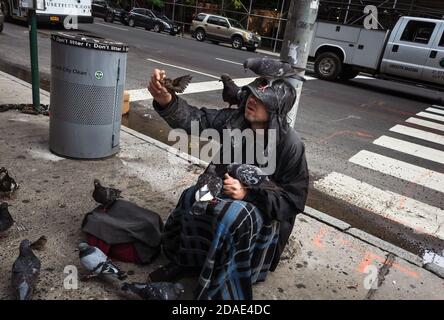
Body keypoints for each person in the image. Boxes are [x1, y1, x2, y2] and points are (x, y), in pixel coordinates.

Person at [147, 68, 309, 300]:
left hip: (259, 210)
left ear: (275, 110)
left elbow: (293, 200)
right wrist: (166, 100)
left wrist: (249, 193)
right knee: (193, 196)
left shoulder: (290, 144)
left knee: (232, 215)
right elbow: (197, 120)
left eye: (261, 99)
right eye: (252, 94)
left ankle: (219, 282)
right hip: (222, 188)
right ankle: (187, 261)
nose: (251, 100)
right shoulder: (235, 120)